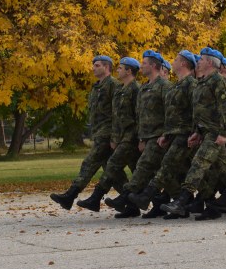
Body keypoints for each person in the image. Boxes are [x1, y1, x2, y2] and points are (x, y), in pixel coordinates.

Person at [161, 47, 226, 218]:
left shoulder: (218, 81)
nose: (198, 62)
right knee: (225, 169)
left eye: (201, 59)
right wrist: (197, 132)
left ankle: (182, 200)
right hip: (206, 132)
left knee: (198, 162)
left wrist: (224, 133)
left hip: (215, 132)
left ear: (209, 62)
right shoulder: (203, 82)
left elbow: (225, 109)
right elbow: (200, 112)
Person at [127, 50, 198, 218]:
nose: (172, 62)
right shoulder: (179, 85)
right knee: (173, 168)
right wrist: (166, 134)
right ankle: (179, 204)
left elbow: (196, 111)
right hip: (173, 133)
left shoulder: (190, 84)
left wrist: (196, 132)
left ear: (183, 63)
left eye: (175, 60)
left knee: (170, 166)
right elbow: (170, 114)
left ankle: (149, 197)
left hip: (185, 133)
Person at [104, 50, 170, 218]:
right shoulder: (146, 87)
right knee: (156, 171)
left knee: (145, 168)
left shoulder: (164, 86)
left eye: (145, 63)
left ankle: (127, 198)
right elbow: (139, 116)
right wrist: (141, 138)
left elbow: (169, 113)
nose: (142, 66)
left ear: (154, 66)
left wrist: (166, 134)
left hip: (159, 136)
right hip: (146, 137)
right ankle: (159, 204)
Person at [50, 56, 118, 209]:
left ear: (106, 67)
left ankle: (70, 195)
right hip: (98, 132)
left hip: (107, 133)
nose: (93, 68)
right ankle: (131, 201)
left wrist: (115, 136)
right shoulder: (96, 87)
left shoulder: (113, 85)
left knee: (89, 162)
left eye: (97, 65)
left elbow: (117, 112)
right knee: (113, 171)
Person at [76, 57, 142, 212]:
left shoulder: (130, 88)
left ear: (129, 71)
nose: (117, 70)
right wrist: (115, 137)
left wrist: (139, 137)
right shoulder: (116, 89)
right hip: (116, 136)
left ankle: (90, 196)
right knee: (123, 169)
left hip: (129, 136)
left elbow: (136, 115)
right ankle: (131, 205)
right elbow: (117, 115)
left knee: (125, 167)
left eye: (121, 68)